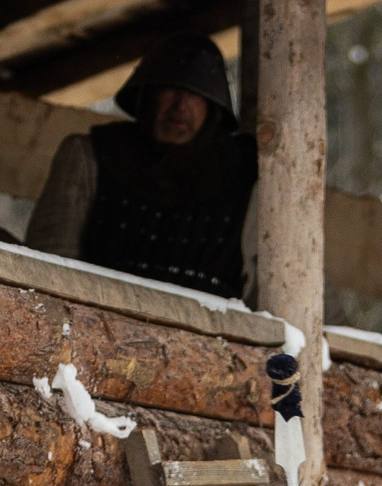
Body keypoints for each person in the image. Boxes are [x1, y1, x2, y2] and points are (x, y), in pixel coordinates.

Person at [26, 34, 260, 301]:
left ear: (213, 105)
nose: (180, 106)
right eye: (170, 89)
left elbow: (260, 296)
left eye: (196, 94)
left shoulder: (245, 173)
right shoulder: (90, 156)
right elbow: (48, 264)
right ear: (148, 95)